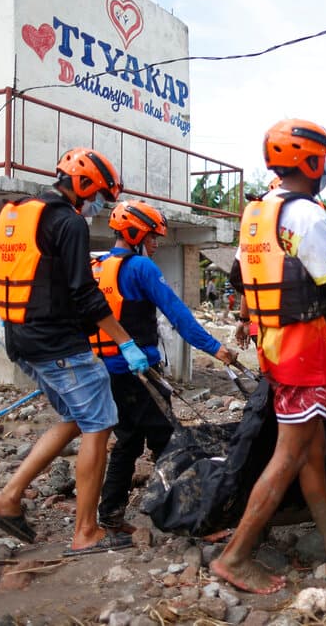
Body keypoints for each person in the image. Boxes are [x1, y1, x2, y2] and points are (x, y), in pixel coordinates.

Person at [210, 119, 326, 594]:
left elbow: (242, 279)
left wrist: (250, 320)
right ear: (312, 161)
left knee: (312, 452)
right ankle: (235, 556)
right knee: (288, 455)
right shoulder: (307, 215)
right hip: (302, 353)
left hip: (273, 348)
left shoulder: (257, 212)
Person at [0, 147, 149, 556]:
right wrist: (125, 341)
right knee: (100, 423)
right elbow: (86, 294)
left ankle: (8, 499)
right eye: (96, 196)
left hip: (21, 339)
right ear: (84, 184)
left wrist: (21, 316)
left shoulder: (16, 214)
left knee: (76, 417)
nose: (95, 206)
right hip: (58, 345)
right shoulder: (68, 223)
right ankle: (86, 532)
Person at [91, 200, 236, 532]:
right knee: (171, 442)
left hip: (111, 372)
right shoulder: (141, 268)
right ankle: (196, 518)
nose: (156, 244)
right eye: (152, 237)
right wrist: (216, 348)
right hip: (142, 374)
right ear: (134, 233)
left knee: (128, 441)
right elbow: (179, 317)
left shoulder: (98, 266)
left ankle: (111, 513)